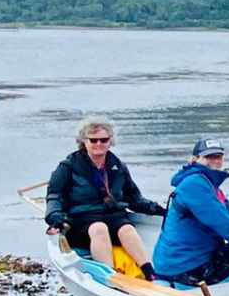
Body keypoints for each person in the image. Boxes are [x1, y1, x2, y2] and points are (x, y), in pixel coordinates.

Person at [45, 116, 164, 277]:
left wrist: (158, 210)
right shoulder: (68, 167)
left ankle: (149, 272)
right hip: (81, 219)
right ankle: (110, 276)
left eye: (103, 140)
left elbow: (133, 198)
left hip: (112, 215)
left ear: (110, 141)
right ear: (84, 141)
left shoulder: (118, 166)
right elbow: (54, 196)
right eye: (93, 140)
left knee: (127, 229)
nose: (98, 144)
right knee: (99, 229)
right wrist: (54, 217)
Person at [153, 138, 229, 286]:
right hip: (181, 266)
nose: (215, 161)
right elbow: (221, 222)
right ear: (195, 159)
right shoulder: (194, 184)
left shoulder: (209, 185)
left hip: (189, 259)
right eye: (209, 157)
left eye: (218, 156)